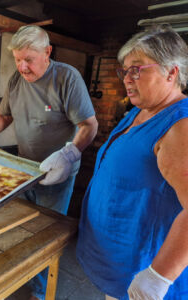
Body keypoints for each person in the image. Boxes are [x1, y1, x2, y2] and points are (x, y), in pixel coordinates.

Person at [0, 25, 98, 300]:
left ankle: (39, 291)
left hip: (57, 172)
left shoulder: (66, 78)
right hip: (25, 168)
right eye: (17, 59)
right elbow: (4, 116)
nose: (23, 67)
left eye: (29, 59)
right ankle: (21, 275)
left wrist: (69, 154)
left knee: (45, 236)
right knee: (22, 227)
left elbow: (89, 125)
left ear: (47, 52)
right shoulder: (16, 80)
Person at [76, 24, 188, 300]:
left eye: (137, 69)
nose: (126, 79)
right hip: (117, 261)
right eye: (124, 70)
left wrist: (158, 276)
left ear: (171, 72)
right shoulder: (139, 111)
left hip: (141, 270)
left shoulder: (180, 125)